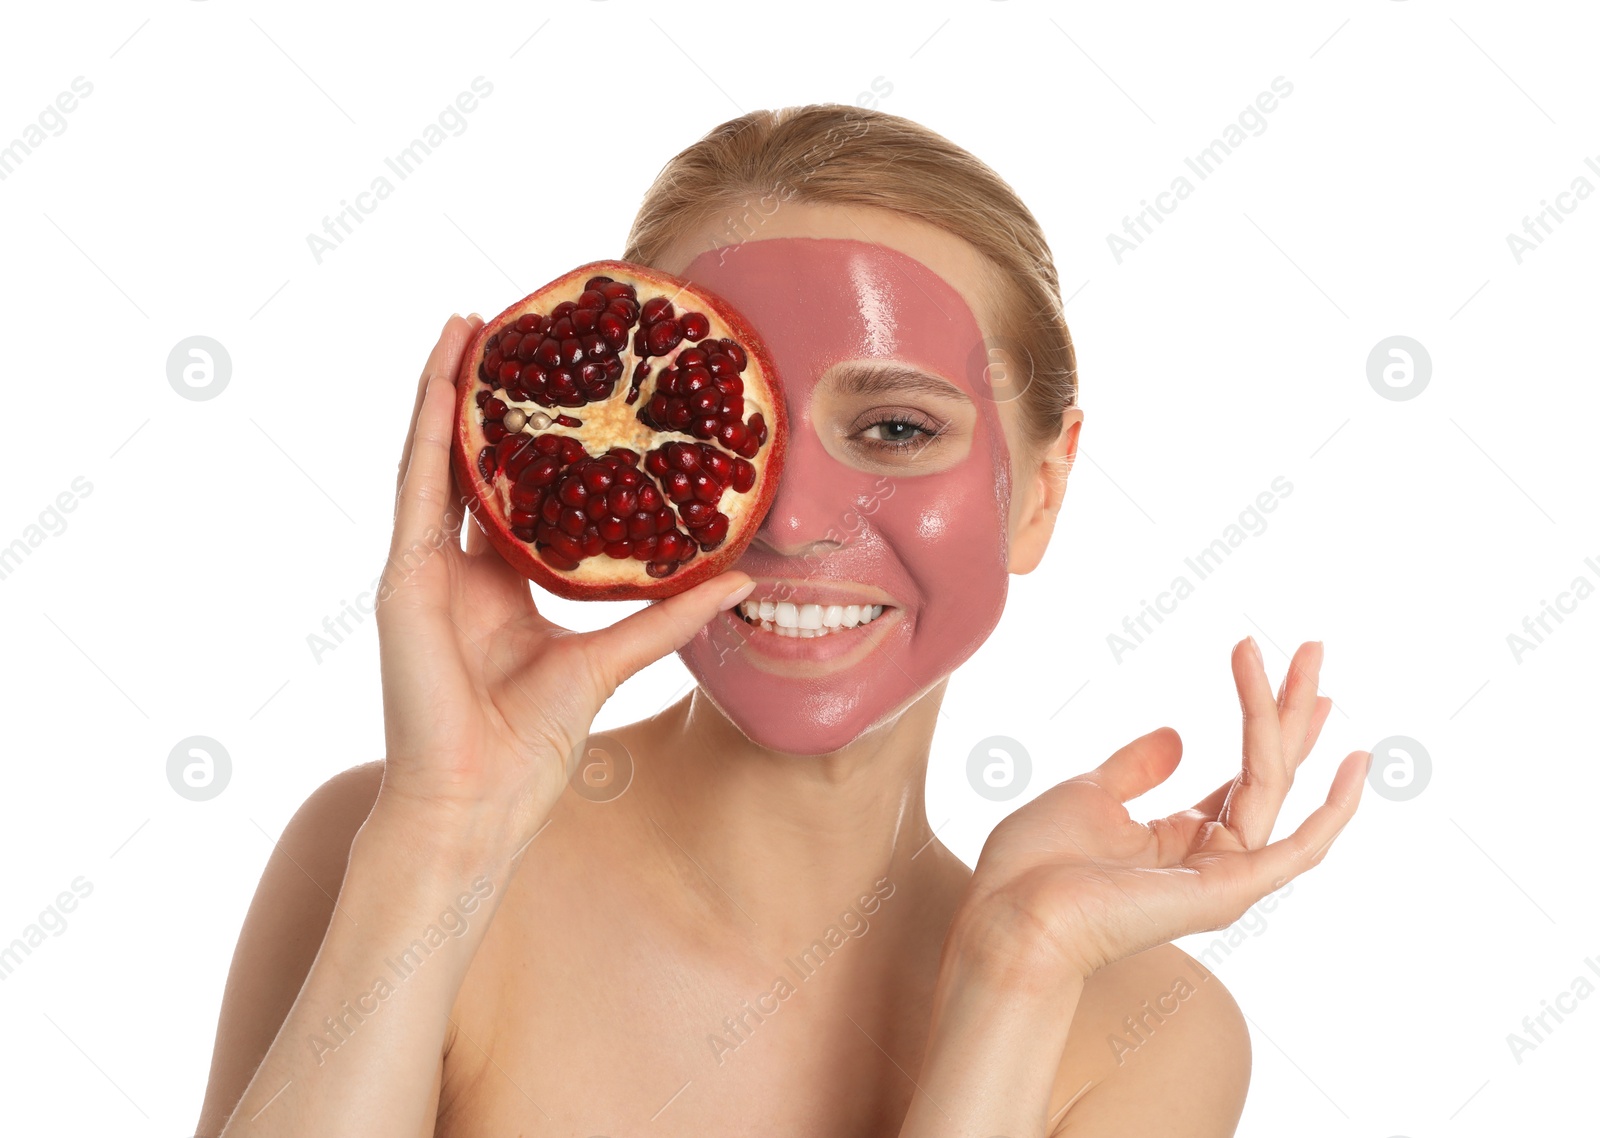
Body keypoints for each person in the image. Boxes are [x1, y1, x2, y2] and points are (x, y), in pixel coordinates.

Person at [195, 105, 1367, 1138]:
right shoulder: (389, 848)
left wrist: (1014, 975)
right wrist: (441, 839)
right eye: (712, 433)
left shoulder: (1143, 1032)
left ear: (1041, 493)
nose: (794, 519)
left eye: (897, 431)